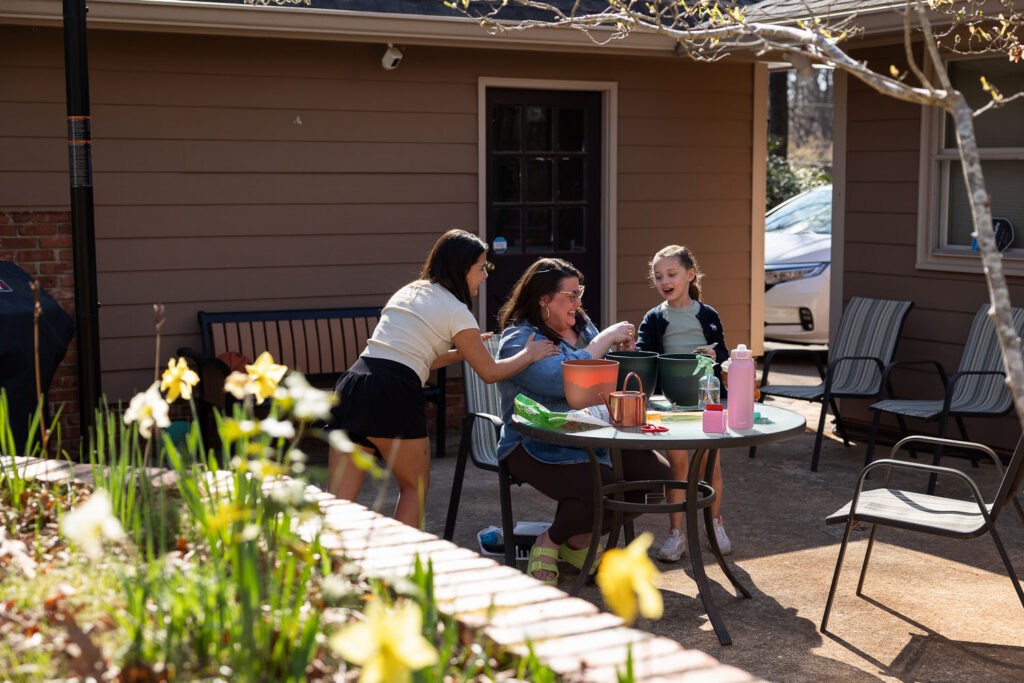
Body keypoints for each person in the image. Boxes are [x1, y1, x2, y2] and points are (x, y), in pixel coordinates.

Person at [328, 229, 558, 527]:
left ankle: (325, 568)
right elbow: (490, 373)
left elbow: (412, 356)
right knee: (414, 488)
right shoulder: (457, 310)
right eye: (481, 268)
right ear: (462, 269)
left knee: (337, 502)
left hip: (355, 384)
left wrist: (461, 352)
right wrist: (530, 353)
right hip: (394, 393)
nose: (485, 276)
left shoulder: (409, 291)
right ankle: (399, 570)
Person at [495, 258, 674, 585]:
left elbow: (602, 380)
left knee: (656, 480)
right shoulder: (522, 338)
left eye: (580, 294)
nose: (579, 303)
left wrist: (620, 353)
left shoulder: (583, 328)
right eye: (571, 295)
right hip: (534, 444)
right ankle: (548, 543)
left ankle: (576, 541)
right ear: (544, 299)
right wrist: (602, 341)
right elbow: (560, 382)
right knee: (601, 485)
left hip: (594, 437)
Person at [636, 244, 732, 560]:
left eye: (671, 274)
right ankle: (676, 534)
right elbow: (643, 355)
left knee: (709, 463)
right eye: (658, 276)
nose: (665, 280)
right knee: (677, 466)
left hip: (708, 400)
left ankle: (714, 524)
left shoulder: (708, 315)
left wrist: (714, 355)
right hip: (670, 403)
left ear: (690, 275)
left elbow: (724, 354)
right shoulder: (653, 317)